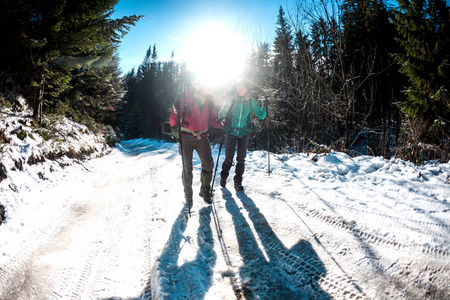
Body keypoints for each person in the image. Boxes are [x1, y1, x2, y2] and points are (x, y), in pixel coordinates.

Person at [169, 81, 221, 208]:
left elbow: (213, 121)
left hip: (202, 137)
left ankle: (205, 191)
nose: (205, 88)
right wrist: (175, 111)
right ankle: (188, 195)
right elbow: (172, 122)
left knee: (208, 164)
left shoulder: (209, 102)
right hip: (186, 137)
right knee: (187, 167)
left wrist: (222, 123)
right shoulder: (184, 100)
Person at [218, 80, 269, 191]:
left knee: (241, 158)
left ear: (247, 89)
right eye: (239, 87)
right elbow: (221, 113)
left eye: (242, 87)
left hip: (244, 132)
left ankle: (238, 182)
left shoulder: (251, 101)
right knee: (229, 158)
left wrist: (265, 106)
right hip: (231, 131)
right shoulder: (231, 99)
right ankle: (223, 177)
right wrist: (223, 119)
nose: (240, 89)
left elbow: (261, 115)